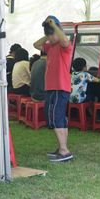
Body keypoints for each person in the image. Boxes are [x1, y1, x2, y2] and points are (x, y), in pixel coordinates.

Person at [33, 16, 73, 162]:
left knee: (55, 118)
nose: (50, 37)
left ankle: (64, 150)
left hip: (60, 87)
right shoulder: (50, 46)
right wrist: (48, 34)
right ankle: (63, 147)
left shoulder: (65, 46)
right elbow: (36, 44)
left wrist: (55, 27)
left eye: (52, 33)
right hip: (53, 88)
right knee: (60, 119)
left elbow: (64, 40)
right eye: (48, 34)